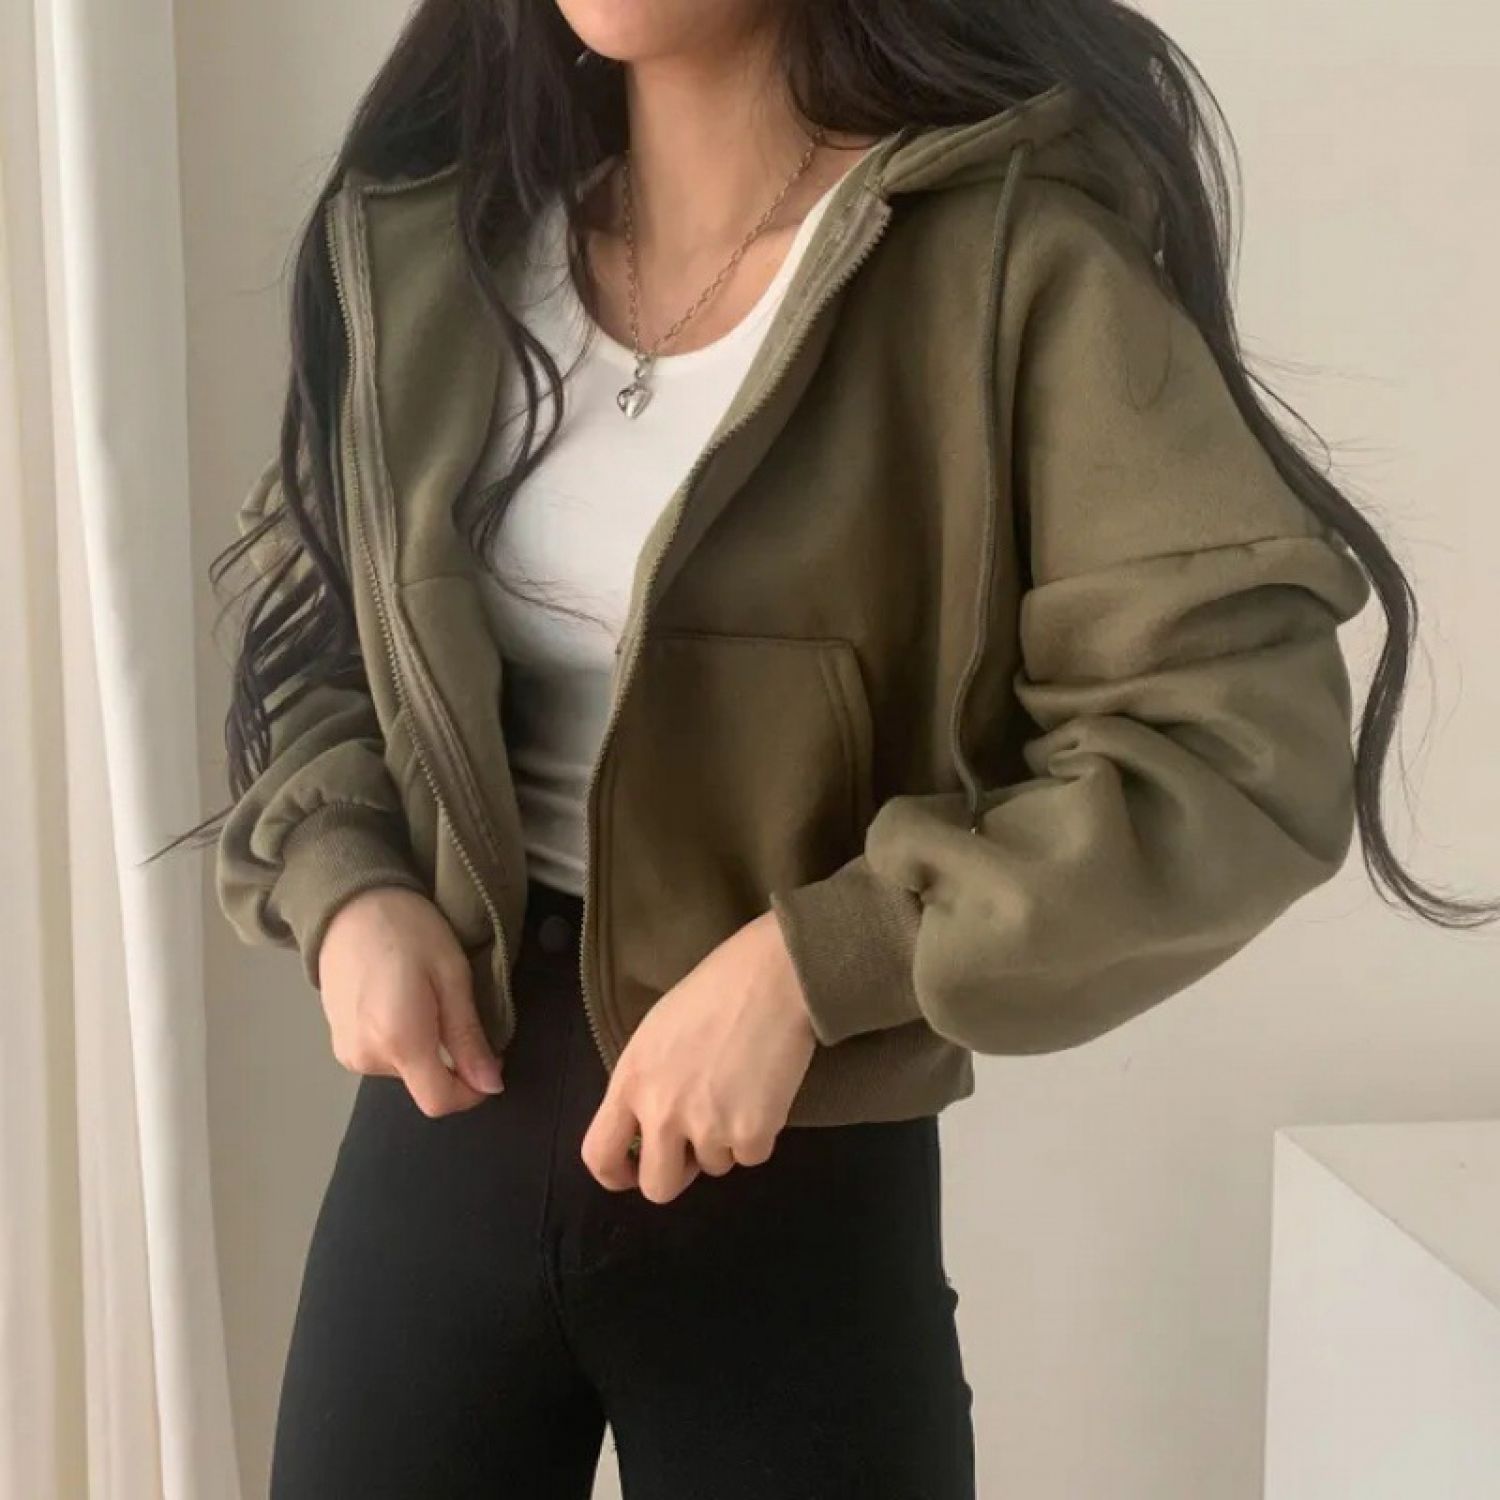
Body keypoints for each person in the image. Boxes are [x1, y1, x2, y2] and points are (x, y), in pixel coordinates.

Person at [168, 0, 1497, 1494]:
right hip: (441, 1134)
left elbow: (1233, 744)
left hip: (791, 1182)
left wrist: (818, 963)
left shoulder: (1008, 263)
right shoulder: (435, 246)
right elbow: (317, 619)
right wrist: (347, 881)